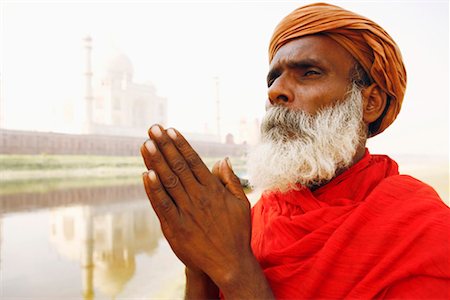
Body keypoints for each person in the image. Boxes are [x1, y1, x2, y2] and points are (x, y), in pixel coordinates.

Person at [140, 2, 450, 299]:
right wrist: (200, 265)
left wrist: (235, 269)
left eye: (309, 73)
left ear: (370, 103)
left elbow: (234, 273)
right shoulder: (259, 215)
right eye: (273, 78)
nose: (275, 92)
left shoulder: (423, 233)